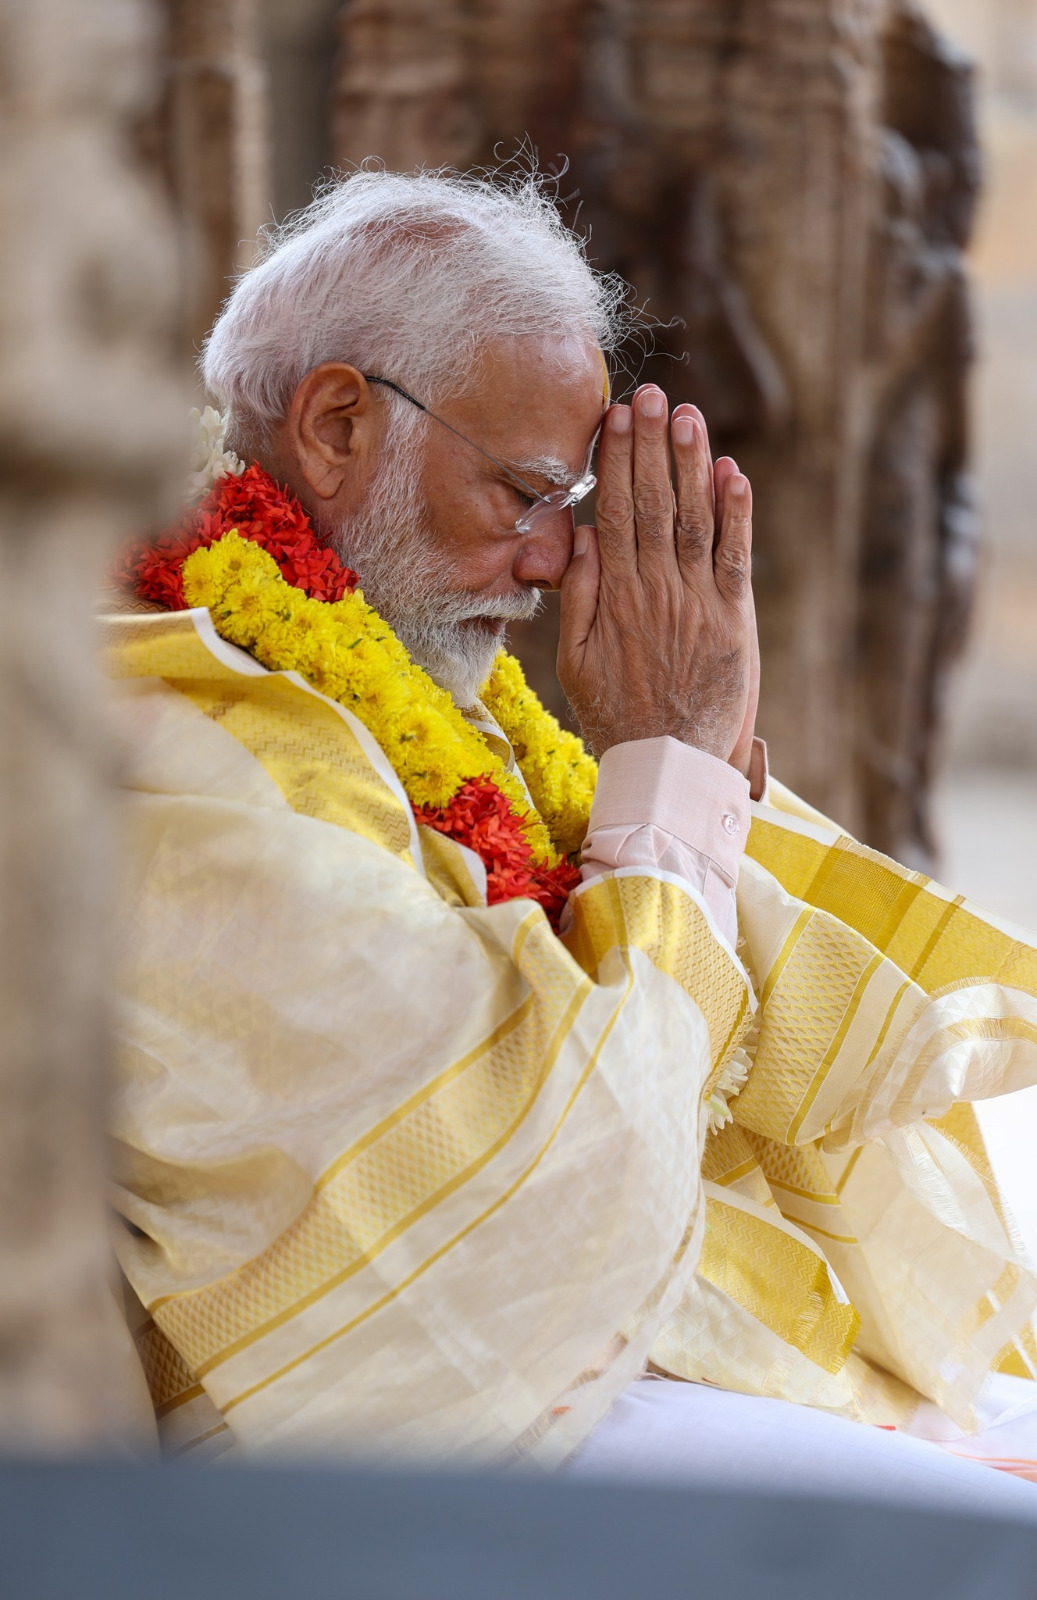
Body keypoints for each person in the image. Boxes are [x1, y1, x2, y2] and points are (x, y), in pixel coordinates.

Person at [103, 168, 1037, 1515]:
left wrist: (699, 759)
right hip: (443, 1412)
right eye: (526, 492)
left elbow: (712, 1043)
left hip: (617, 1349)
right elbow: (519, 1228)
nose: (550, 563)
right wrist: (664, 770)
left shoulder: (405, 694)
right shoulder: (180, 736)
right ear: (337, 423)